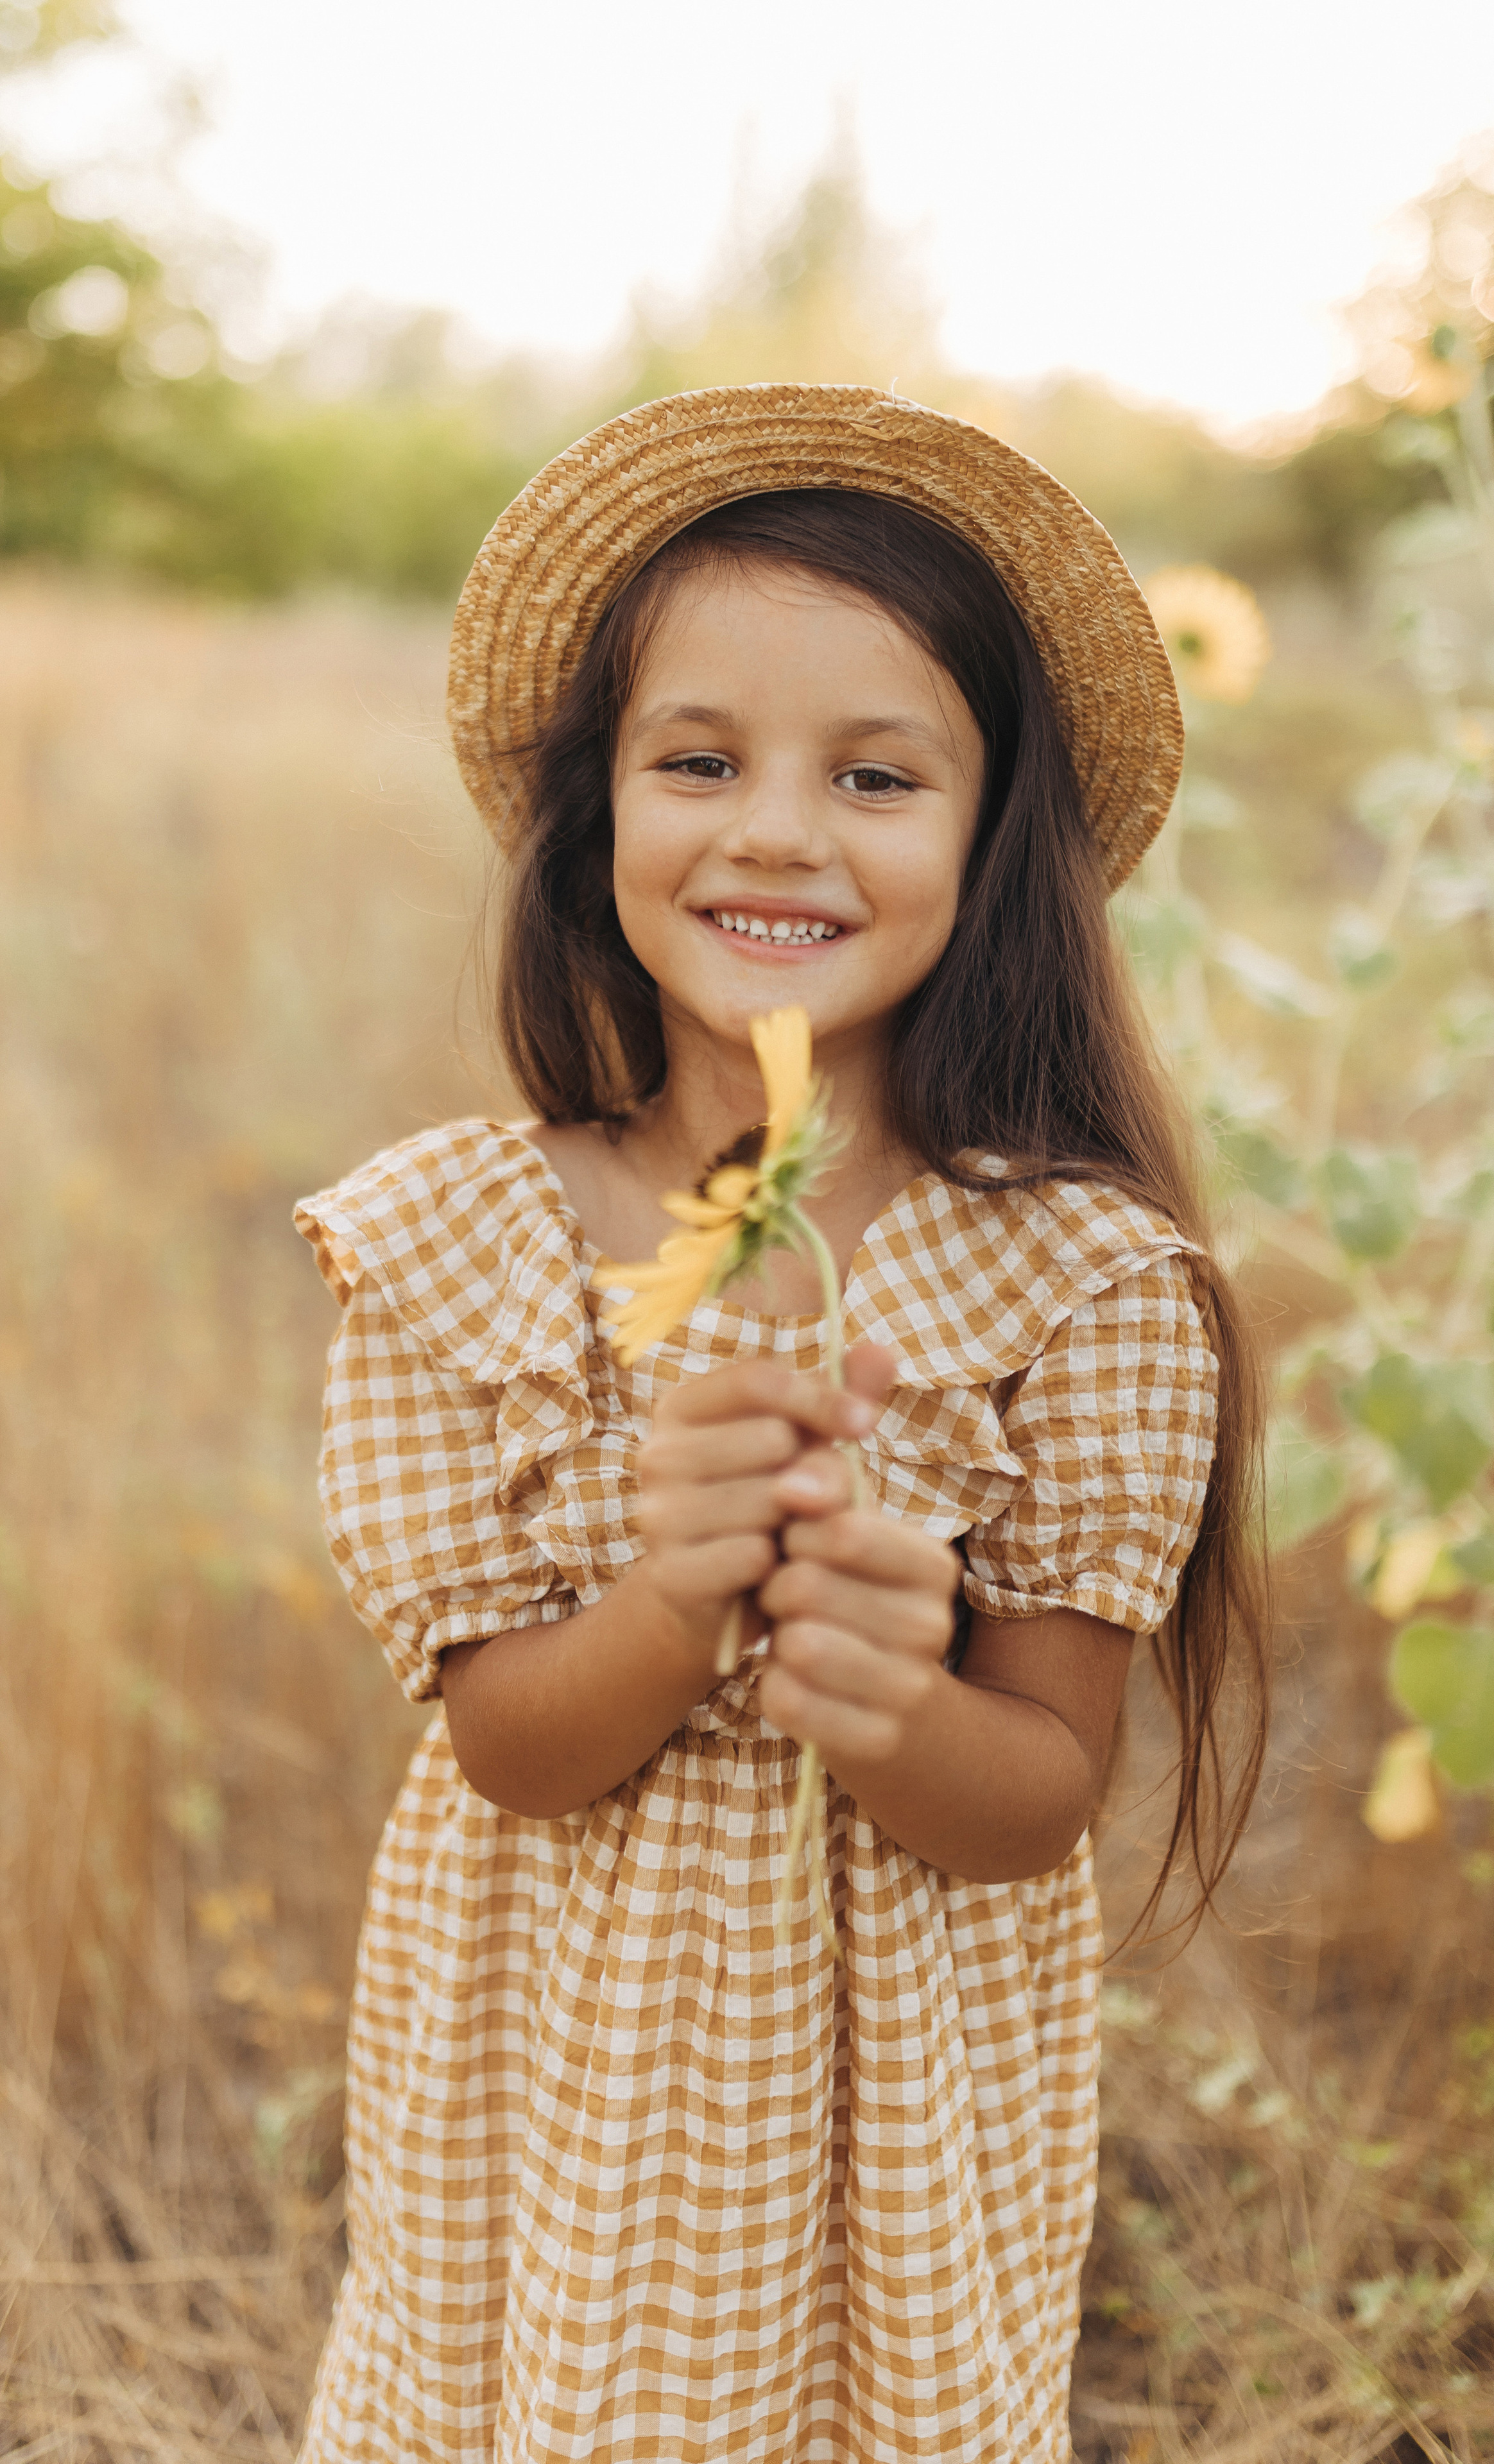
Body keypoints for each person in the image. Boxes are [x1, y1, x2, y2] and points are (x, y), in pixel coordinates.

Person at [293, 383, 1269, 2464]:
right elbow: (507, 1748)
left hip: (886, 2153)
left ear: (993, 843)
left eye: (878, 774)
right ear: (599, 813)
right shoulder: (470, 1251)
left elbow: (1039, 1798)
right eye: (700, 759)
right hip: (544, 2115)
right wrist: (673, 1596)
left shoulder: (1078, 1293)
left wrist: (888, 1694)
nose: (775, 830)